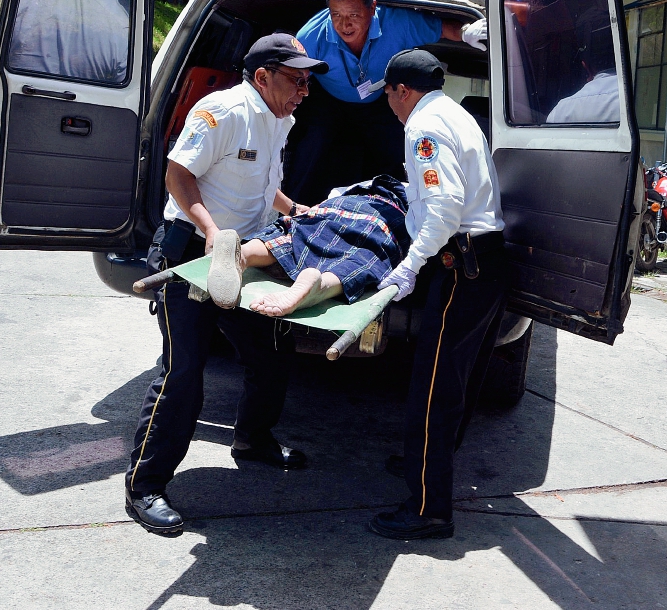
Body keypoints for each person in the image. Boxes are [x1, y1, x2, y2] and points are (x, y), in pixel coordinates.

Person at [125, 33, 328, 537]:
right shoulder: (221, 112)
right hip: (194, 255)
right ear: (263, 78)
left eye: (308, 80)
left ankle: (253, 439)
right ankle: (144, 485)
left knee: (271, 354)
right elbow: (178, 175)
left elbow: (261, 182)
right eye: (296, 79)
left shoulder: (279, 118)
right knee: (184, 372)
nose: (305, 89)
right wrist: (213, 232)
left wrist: (294, 210)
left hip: (244, 257)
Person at [368, 49, 507, 541]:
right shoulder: (458, 115)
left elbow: (445, 206)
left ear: (402, 90)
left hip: (459, 265)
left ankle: (428, 508)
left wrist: (410, 265)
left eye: (388, 94)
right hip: (486, 259)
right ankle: (429, 466)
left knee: (432, 389)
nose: (389, 104)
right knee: (456, 383)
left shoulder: (423, 127)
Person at [285, 0, 488, 205]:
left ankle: (399, 210)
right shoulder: (310, 37)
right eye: (336, 15)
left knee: (395, 152)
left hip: (379, 102)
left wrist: (465, 33)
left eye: (353, 15)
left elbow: (442, 28)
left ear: (372, 8)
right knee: (310, 147)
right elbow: (294, 77)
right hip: (329, 102)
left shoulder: (397, 23)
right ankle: (293, 213)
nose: (344, 24)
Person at [239, 174, 411, 317]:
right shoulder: (414, 199)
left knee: (294, 235)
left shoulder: (354, 188)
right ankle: (321, 287)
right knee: (363, 258)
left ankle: (245, 254)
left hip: (334, 207)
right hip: (379, 223)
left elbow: (329, 199)